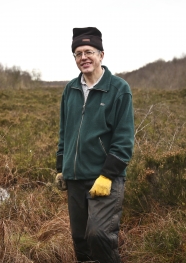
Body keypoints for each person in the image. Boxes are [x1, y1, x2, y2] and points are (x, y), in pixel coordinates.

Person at [55, 27, 135, 262]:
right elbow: (64, 132)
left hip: (105, 178)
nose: (83, 58)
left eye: (88, 51)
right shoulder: (70, 89)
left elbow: (124, 139)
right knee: (81, 240)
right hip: (75, 178)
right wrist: (61, 168)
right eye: (78, 54)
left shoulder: (119, 89)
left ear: (101, 55)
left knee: (99, 235)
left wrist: (108, 175)